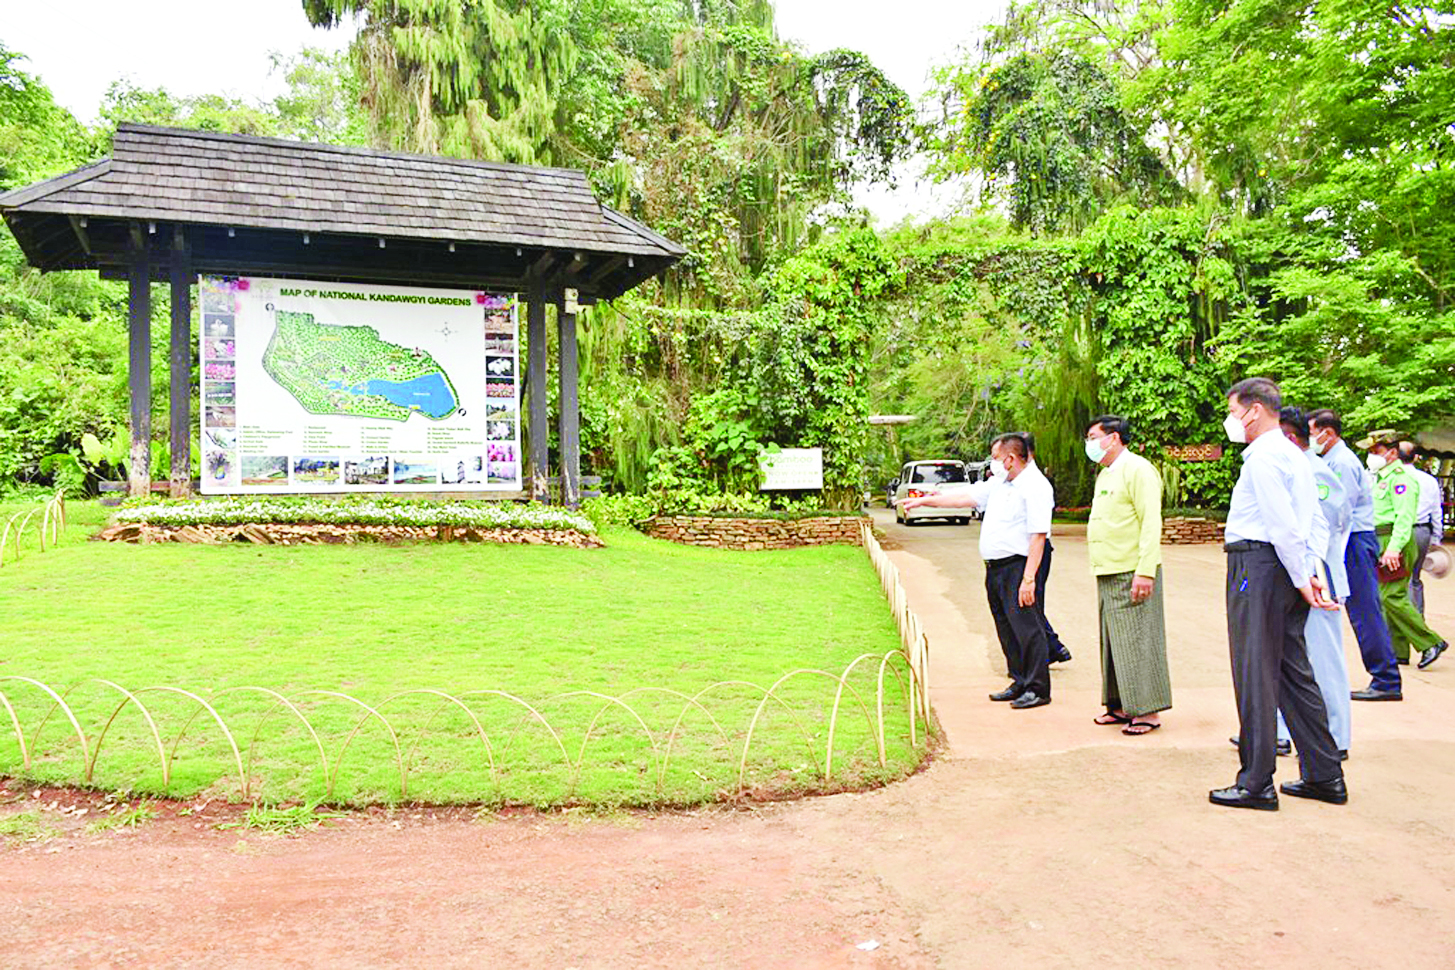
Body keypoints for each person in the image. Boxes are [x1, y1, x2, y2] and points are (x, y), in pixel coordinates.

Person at [1211, 378, 1345, 811]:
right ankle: (1325, 774)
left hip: (1259, 566)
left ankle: (1256, 783)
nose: (1231, 420)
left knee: (1255, 671)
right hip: (1284, 568)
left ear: (1253, 411)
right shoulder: (1294, 455)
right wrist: (1309, 570)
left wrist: (1304, 577)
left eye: (1234, 412)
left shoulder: (1264, 458)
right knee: (1292, 673)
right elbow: (1313, 522)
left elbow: (1282, 524)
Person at [901, 432, 1055, 709]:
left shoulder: (1035, 486)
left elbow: (1038, 536)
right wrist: (924, 500)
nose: (992, 462)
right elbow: (964, 497)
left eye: (995, 457)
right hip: (995, 568)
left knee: (1027, 627)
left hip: (1018, 566)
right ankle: (1019, 680)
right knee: (1006, 626)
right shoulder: (999, 484)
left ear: (1010, 459)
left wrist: (1028, 578)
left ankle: (1037, 688)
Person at [1083, 415, 1171, 736]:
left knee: (1137, 639)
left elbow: (1151, 522)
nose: (1090, 444)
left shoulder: (1138, 469)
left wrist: (1145, 571)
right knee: (1113, 641)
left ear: (1114, 438)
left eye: (1094, 437)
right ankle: (1119, 705)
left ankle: (1147, 711)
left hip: (1132, 569)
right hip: (1108, 568)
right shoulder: (1107, 473)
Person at [1307, 410, 1402, 701]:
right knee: (1361, 609)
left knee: (1364, 610)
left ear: (1327, 433)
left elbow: (1340, 512)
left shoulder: (1342, 462)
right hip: (1349, 540)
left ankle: (1386, 679)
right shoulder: (1331, 460)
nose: (1309, 438)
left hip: (1353, 541)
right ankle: (1385, 676)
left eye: (1311, 432)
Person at [1275, 408, 1352, 759]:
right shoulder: (1295, 468)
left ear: (1289, 438)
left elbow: (1327, 526)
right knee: (1288, 658)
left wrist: (1308, 573)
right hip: (1296, 577)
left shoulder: (1316, 471)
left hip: (1320, 576)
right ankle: (1280, 730)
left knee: (1324, 659)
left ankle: (1335, 736)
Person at [1360, 430, 1449, 669]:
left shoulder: (1401, 479)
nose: (1371, 455)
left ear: (1391, 453)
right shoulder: (1382, 476)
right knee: (1388, 595)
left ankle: (1431, 642)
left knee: (1390, 595)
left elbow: (1404, 517)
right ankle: (1398, 650)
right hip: (1381, 538)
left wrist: (1393, 548)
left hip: (1393, 539)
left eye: (1376, 451)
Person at [1021, 432, 1073, 665]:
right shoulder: (1017, 479)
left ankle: (1049, 649)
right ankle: (1051, 648)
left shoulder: (1035, 483)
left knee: (1031, 602)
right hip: (1026, 549)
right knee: (1029, 603)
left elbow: (1039, 532)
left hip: (1036, 549)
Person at [1397, 440, 1445, 616]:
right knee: (1414, 578)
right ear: (1416, 457)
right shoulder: (1429, 480)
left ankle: (1401, 619)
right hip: (1421, 531)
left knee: (1394, 578)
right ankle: (1417, 617)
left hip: (1396, 530)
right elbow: (1436, 511)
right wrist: (1436, 538)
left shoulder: (1391, 478)